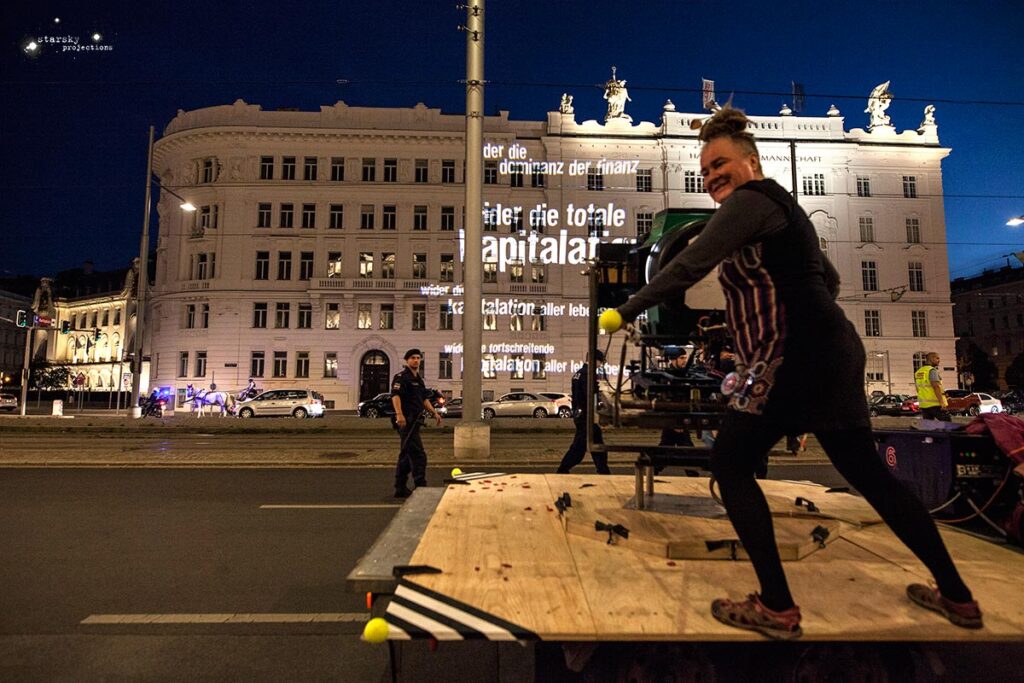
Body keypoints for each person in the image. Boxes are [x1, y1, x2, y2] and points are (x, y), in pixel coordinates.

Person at [605, 107, 980, 639]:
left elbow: (690, 263)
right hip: (831, 350)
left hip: (795, 354)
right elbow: (828, 277)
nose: (712, 176)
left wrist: (629, 307)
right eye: (705, 168)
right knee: (868, 474)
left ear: (751, 163)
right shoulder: (786, 209)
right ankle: (957, 596)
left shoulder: (751, 201)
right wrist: (789, 318)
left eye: (721, 164)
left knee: (730, 463)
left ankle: (776, 606)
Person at [391, 349, 443, 498]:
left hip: (416, 421)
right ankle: (421, 485)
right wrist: (399, 414)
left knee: (406, 455)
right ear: (407, 360)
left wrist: (434, 413)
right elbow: (395, 396)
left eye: (418, 358)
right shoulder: (402, 377)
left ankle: (400, 487)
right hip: (406, 421)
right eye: (413, 358)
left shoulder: (419, 379)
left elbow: (424, 399)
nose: (416, 360)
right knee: (419, 455)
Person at [557, 351, 611, 474]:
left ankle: (603, 471)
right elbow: (590, 397)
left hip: (580, 414)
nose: (600, 365)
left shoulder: (578, 374)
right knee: (579, 448)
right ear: (595, 360)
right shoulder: (589, 375)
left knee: (596, 445)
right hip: (586, 416)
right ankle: (563, 469)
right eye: (600, 362)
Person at [658, 347, 696, 449]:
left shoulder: (685, 374)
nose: (685, 361)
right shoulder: (666, 376)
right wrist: (675, 422)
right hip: (672, 418)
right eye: (682, 358)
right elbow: (666, 399)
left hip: (682, 417)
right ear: (674, 359)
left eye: (685, 358)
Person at [915, 352, 950, 421]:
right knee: (948, 424)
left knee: (929, 427)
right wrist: (942, 403)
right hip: (935, 404)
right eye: (937, 358)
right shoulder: (931, 370)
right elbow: (936, 387)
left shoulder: (918, 372)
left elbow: (918, 389)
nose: (939, 360)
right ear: (931, 359)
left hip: (924, 405)